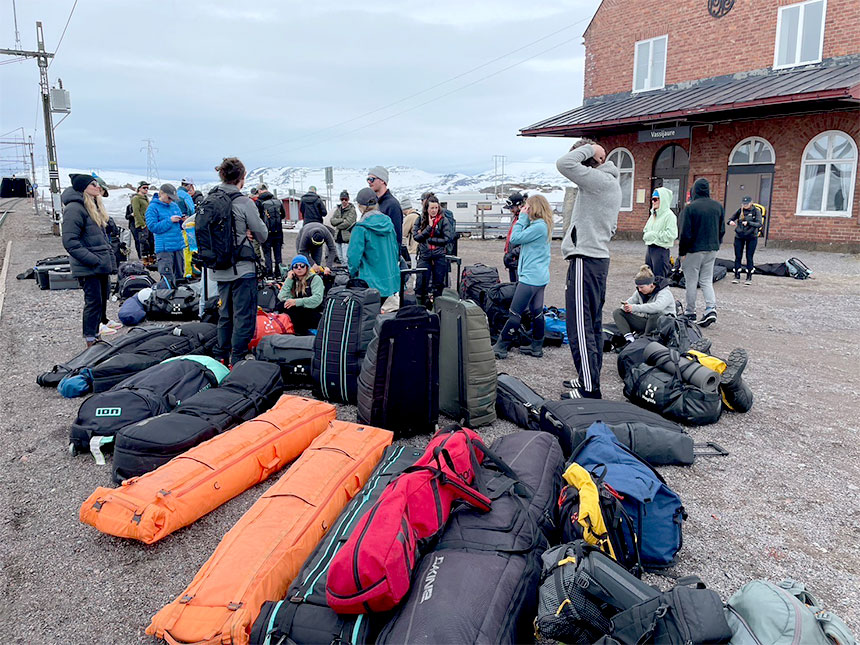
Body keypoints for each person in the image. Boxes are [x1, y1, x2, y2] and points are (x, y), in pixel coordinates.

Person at [556, 139, 620, 399]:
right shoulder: (608, 183)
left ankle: (589, 389)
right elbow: (612, 228)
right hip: (596, 259)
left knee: (580, 327)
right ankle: (588, 378)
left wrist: (591, 149)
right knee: (591, 326)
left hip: (586, 259)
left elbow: (564, 164)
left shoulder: (599, 181)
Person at [210, 157, 268, 366]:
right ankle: (238, 356)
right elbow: (263, 234)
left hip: (219, 266)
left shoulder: (211, 199)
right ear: (242, 178)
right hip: (242, 268)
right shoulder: (244, 202)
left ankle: (221, 356)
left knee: (225, 313)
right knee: (244, 314)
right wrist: (247, 231)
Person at [61, 174, 120, 346]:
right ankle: (90, 339)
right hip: (89, 266)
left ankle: (96, 336)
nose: (98, 187)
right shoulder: (74, 208)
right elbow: (70, 241)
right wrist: (93, 259)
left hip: (98, 264)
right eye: (93, 184)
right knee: (93, 302)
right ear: (84, 187)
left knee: (101, 299)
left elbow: (100, 238)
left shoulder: (91, 206)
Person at [492, 194, 553, 360]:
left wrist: (523, 218)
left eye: (528, 207)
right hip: (540, 277)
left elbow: (515, 238)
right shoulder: (544, 225)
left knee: (515, 312)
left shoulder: (538, 226)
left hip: (530, 278)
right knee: (536, 311)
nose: (525, 209)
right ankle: (536, 346)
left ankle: (501, 346)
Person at [678, 177, 724, 327]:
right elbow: (722, 230)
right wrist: (716, 244)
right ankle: (711, 308)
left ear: (695, 190)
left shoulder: (691, 208)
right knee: (706, 280)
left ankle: (690, 312)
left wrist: (682, 252)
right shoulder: (718, 206)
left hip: (693, 250)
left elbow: (685, 233)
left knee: (691, 281)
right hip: (712, 249)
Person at [347, 187, 399, 298]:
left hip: (368, 283)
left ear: (360, 206)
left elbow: (353, 257)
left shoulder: (360, 228)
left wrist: (352, 274)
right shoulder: (389, 224)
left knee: (369, 314)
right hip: (391, 282)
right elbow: (395, 250)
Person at [612, 265, 675, 344]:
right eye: (638, 287)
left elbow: (658, 307)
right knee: (618, 312)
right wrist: (627, 307)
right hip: (647, 323)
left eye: (642, 287)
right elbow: (626, 305)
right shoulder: (640, 292)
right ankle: (630, 340)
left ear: (651, 285)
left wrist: (634, 308)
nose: (639, 290)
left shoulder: (665, 292)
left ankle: (645, 340)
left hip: (664, 326)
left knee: (656, 314)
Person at [413, 195, 454, 306]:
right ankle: (421, 308)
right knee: (421, 284)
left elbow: (447, 238)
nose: (434, 210)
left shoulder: (443, 220)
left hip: (439, 256)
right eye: (432, 208)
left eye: (436, 208)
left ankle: (438, 309)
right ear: (427, 208)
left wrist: (430, 240)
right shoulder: (421, 219)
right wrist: (429, 228)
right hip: (425, 255)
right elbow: (416, 237)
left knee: (439, 284)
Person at [145, 183, 187, 284]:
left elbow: (180, 225)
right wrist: (170, 220)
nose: (171, 200)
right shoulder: (152, 208)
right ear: (161, 193)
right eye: (169, 197)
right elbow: (152, 227)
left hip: (178, 246)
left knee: (180, 277)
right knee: (167, 278)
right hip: (165, 249)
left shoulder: (174, 206)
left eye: (172, 198)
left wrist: (183, 220)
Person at [277, 254, 325, 335]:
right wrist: (289, 279)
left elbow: (317, 299)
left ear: (307, 267)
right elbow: (282, 296)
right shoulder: (293, 279)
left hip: (314, 311)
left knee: (294, 311)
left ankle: (301, 333)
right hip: (299, 311)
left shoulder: (315, 279)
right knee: (281, 305)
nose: (299, 268)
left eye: (302, 266)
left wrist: (296, 302)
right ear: (292, 269)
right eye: (296, 266)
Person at [367, 166, 403, 258]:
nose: (369, 182)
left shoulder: (392, 205)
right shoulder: (374, 204)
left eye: (371, 179)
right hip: (376, 256)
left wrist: (394, 259)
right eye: (367, 179)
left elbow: (396, 236)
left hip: (387, 257)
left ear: (382, 180)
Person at [642, 187, 677, 280]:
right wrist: (648, 236)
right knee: (648, 279)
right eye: (652, 199)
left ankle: (661, 295)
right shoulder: (653, 214)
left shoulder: (669, 216)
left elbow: (672, 235)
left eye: (655, 199)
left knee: (659, 280)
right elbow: (646, 230)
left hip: (661, 251)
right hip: (650, 249)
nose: (653, 202)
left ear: (663, 199)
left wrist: (653, 235)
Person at [728, 196, 763, 285]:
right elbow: (730, 219)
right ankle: (736, 276)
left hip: (751, 236)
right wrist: (730, 222)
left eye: (746, 204)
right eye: (743, 204)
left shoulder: (756, 211)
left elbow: (759, 224)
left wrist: (749, 223)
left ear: (751, 203)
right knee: (738, 256)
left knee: (749, 256)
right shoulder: (740, 210)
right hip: (739, 236)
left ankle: (749, 277)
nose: (745, 205)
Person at [256, 186, 286, 278]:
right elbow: (283, 215)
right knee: (278, 255)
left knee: (267, 254)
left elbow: (257, 218)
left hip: (266, 233)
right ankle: (279, 273)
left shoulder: (259, 202)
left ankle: (269, 274)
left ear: (260, 191)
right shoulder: (277, 201)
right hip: (278, 232)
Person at [503, 191, 525, 281]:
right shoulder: (516, 218)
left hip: (519, 259)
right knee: (513, 284)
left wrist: (513, 253)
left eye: (512, 207)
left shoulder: (525, 219)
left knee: (518, 284)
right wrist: (507, 252)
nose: (511, 210)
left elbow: (525, 240)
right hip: (513, 258)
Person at [330, 190, 356, 261]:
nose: (344, 201)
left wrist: (337, 224)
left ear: (348, 199)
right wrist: (342, 220)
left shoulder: (352, 210)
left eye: (345, 199)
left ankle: (348, 271)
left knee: (346, 258)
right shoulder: (338, 209)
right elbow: (332, 220)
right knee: (340, 258)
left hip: (347, 238)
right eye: (342, 199)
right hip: (338, 237)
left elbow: (348, 222)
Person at [131, 180, 151, 261]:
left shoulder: (146, 198)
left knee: (150, 242)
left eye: (147, 188)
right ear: (139, 188)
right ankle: (143, 259)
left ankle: (149, 259)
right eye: (144, 188)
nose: (146, 189)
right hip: (142, 224)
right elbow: (136, 212)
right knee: (143, 242)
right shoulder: (136, 198)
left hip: (148, 223)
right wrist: (142, 224)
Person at [401, 196, 420, 268]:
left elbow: (403, 233)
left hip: (414, 247)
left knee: (413, 269)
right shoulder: (417, 215)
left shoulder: (409, 217)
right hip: (420, 247)